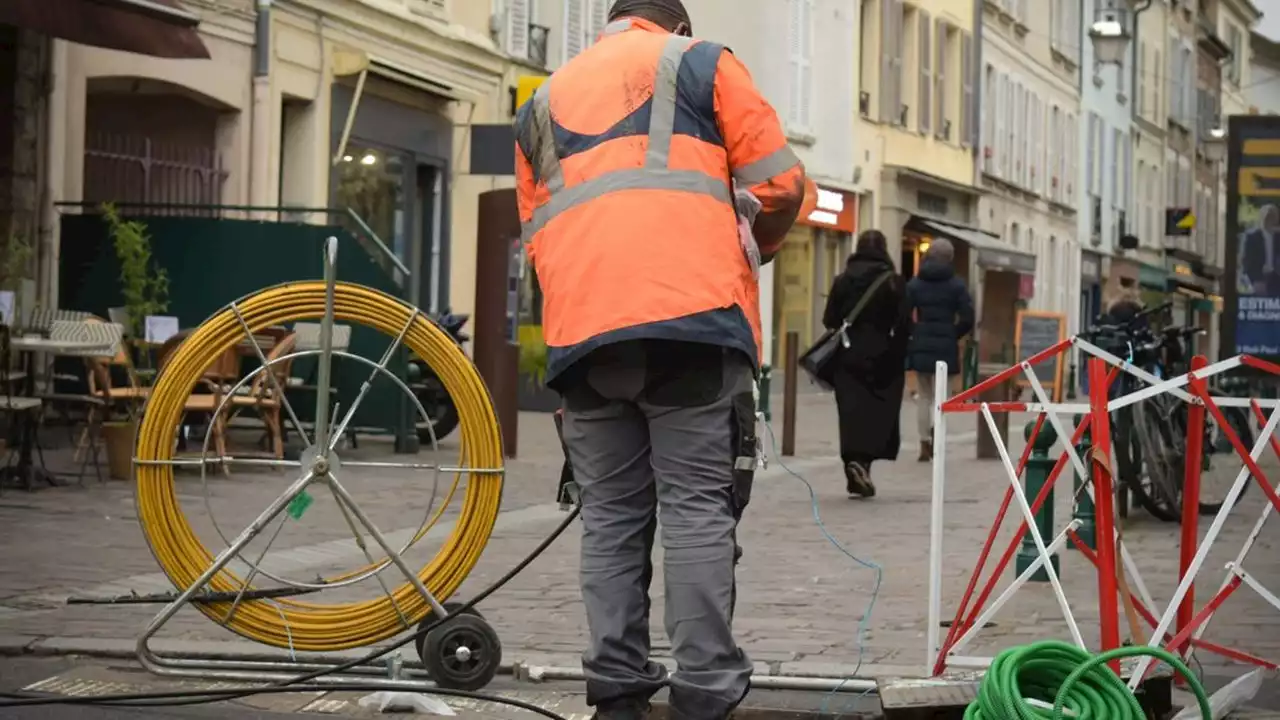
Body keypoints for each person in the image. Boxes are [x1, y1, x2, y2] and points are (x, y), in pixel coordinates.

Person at [513, 0, 806, 718]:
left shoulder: (542, 101)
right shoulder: (701, 62)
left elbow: (537, 229)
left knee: (610, 516)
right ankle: (705, 686)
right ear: (675, 25)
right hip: (693, 324)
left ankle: (615, 688)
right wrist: (754, 243)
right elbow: (783, 185)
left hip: (584, 335)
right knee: (697, 510)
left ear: (611, 21)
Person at [821, 230, 911, 498]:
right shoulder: (893, 282)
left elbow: (830, 319)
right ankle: (864, 465)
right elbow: (904, 323)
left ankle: (853, 463)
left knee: (851, 414)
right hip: (884, 357)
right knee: (877, 414)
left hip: (848, 356)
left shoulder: (843, 280)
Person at [906, 238, 975, 462]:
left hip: (922, 340)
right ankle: (938, 434)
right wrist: (953, 334)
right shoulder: (956, 285)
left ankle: (924, 442)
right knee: (942, 396)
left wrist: (915, 331)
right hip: (946, 342)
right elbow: (968, 317)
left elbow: (903, 313)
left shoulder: (916, 283)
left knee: (924, 394)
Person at [1238, 203, 1280, 296]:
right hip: (1258, 280)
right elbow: (1246, 261)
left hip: (1276, 279)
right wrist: (1255, 280)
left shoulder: (1278, 237)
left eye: (1273, 217)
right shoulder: (1252, 237)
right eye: (1267, 217)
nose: (1270, 220)